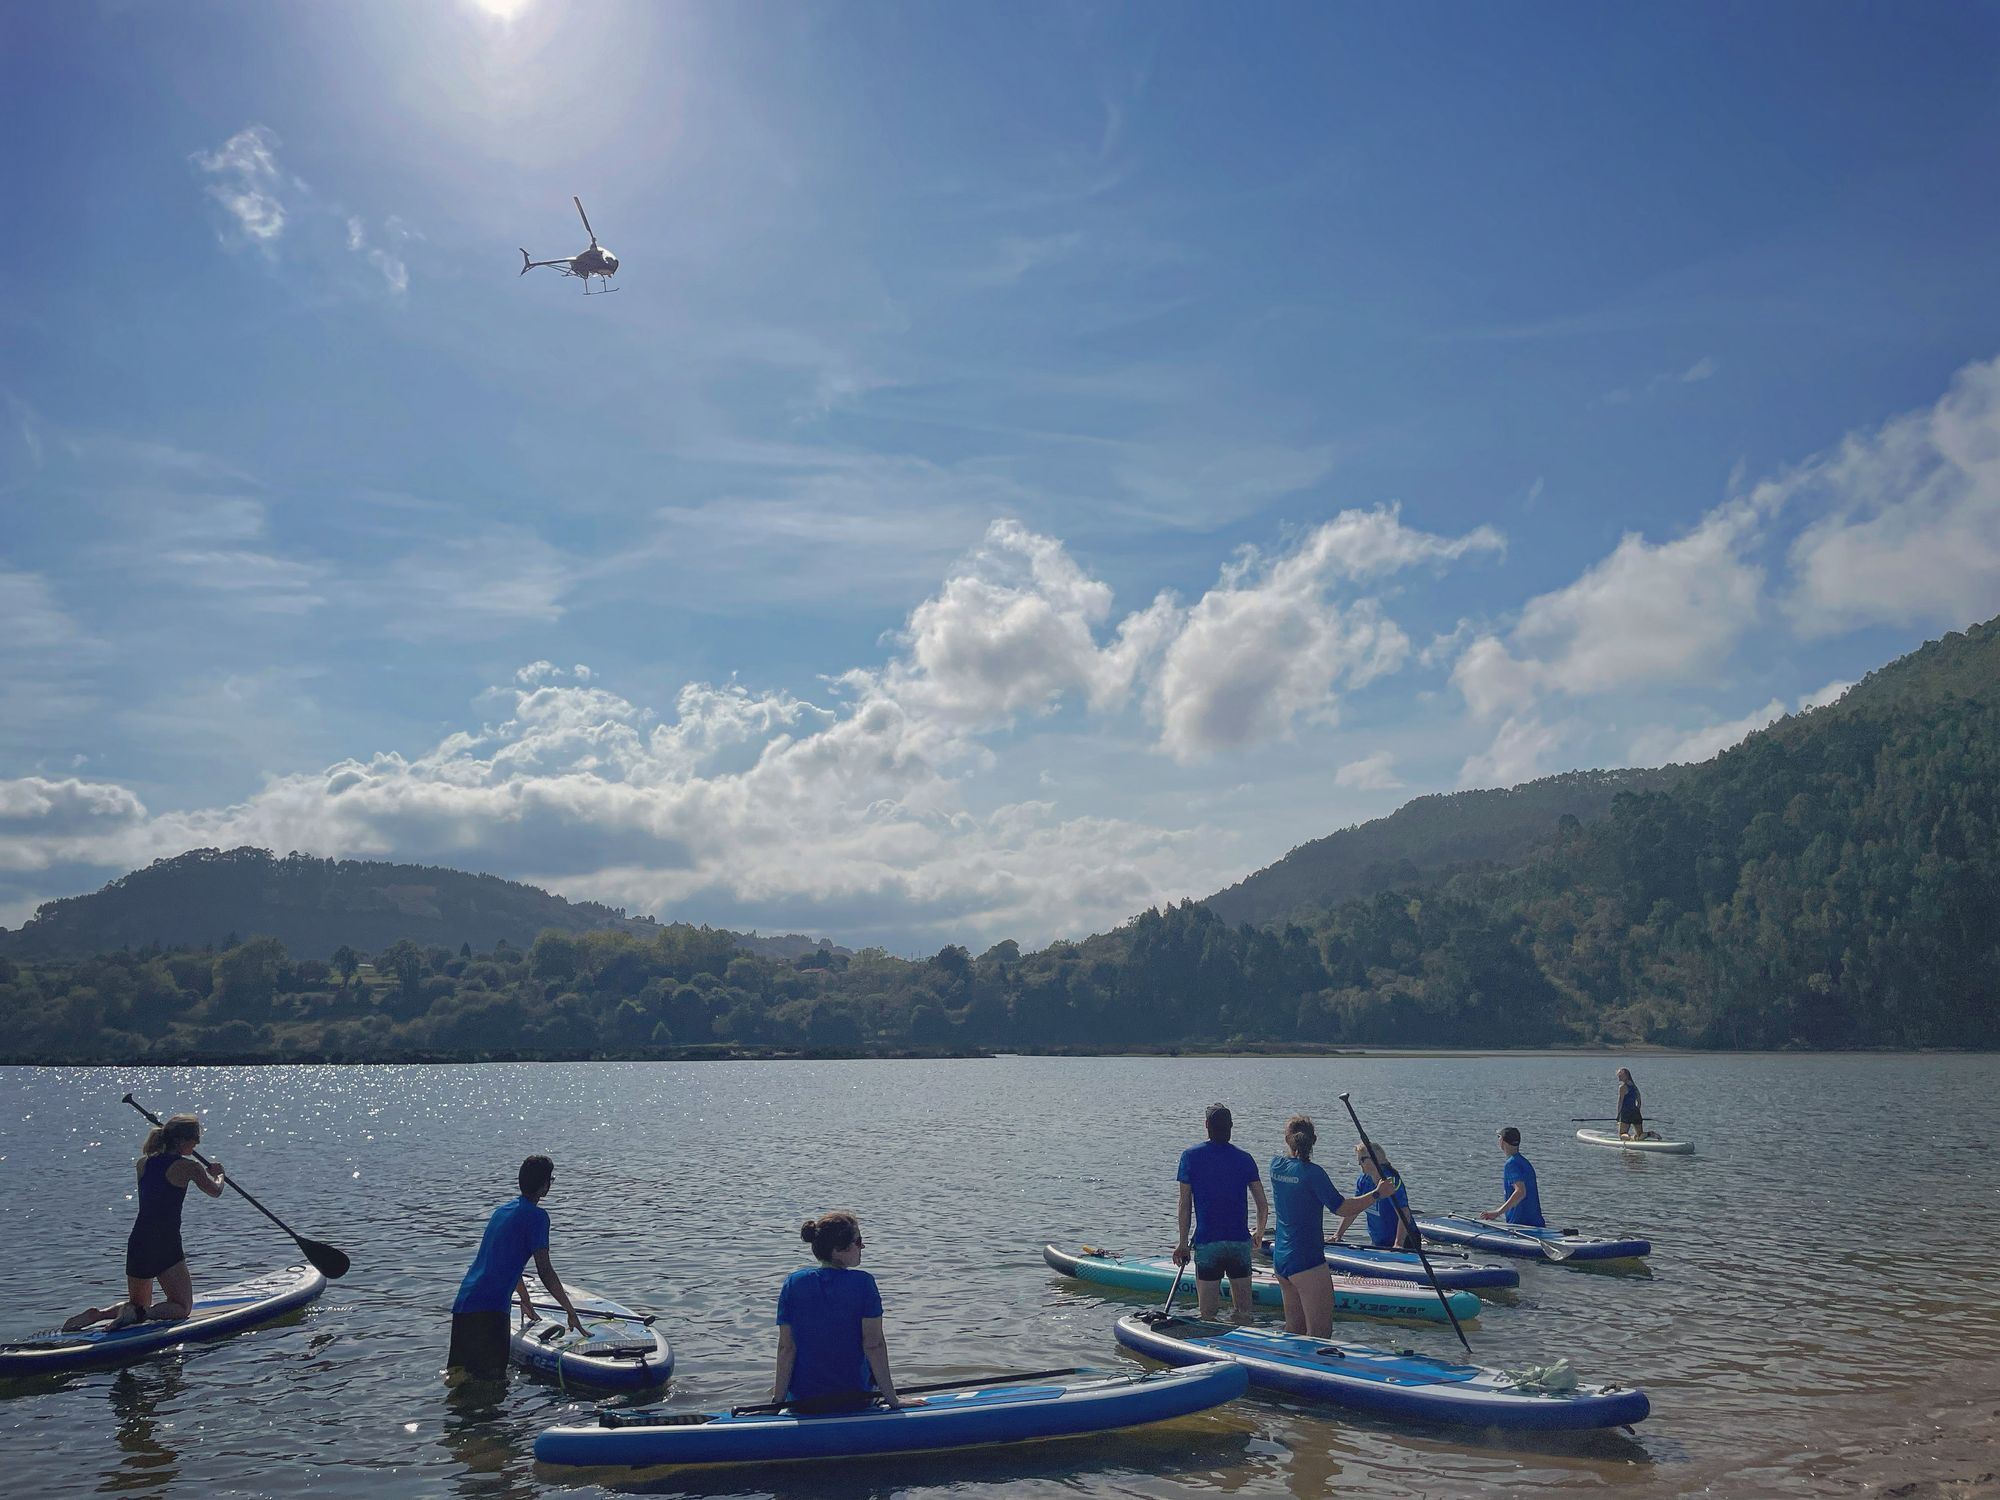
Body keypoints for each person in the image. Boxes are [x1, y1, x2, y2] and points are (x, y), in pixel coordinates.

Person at [63, 1112, 227, 1332]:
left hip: (138, 1241)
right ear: (180, 1140)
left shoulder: (143, 1164)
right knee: (181, 1307)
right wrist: (219, 1174)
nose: (197, 1143)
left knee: (138, 1302)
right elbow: (215, 1191)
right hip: (165, 1241)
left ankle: (98, 1314)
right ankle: (141, 1314)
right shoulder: (190, 1167)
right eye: (194, 1139)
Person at [447, 1154, 583, 1383]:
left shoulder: (502, 1211)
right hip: (490, 1311)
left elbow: (501, 1261)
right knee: (492, 1384)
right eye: (551, 1180)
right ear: (544, 1186)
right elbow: (545, 1271)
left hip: (465, 1304)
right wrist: (570, 1310)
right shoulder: (537, 1217)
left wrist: (525, 1298)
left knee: (459, 1378)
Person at [772, 1211, 900, 1412]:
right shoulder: (864, 1283)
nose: (862, 1247)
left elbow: (786, 1349)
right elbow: (873, 1346)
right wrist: (894, 1402)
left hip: (802, 1403)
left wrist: (776, 1404)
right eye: (858, 1241)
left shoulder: (793, 1283)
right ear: (839, 1249)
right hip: (856, 1399)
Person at [1268, 1116, 1381, 1337]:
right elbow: (1342, 1208)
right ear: (1315, 1140)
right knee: (1319, 1337)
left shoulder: (1275, 1166)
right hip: (1307, 1261)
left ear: (1287, 1139)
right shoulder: (1313, 1173)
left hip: (1281, 1260)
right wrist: (1377, 1194)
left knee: (1294, 1331)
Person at [1173, 1103, 1269, 1324]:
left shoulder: (1190, 1156)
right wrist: (1259, 1232)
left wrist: (1183, 1243)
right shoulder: (1245, 1158)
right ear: (1231, 1127)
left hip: (1208, 1243)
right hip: (1239, 1243)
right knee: (1244, 1313)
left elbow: (1184, 1204)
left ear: (1206, 1125)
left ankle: (1212, 1348)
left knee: (1207, 1315)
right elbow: (1262, 1204)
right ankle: (1244, 1347)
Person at [1340, 1143, 1413, 1249]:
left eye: (1362, 1159)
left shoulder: (1391, 1181)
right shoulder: (1363, 1180)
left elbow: (1404, 1213)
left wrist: (1398, 1244)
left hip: (1405, 1243)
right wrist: (1338, 1234)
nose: (1359, 1163)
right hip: (1379, 1243)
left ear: (1375, 1158)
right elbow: (1354, 1209)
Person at [1478, 1126, 1546, 1227]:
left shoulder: (1511, 1164)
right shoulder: (1525, 1162)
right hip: (1537, 1224)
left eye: (1498, 1137)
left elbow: (1520, 1192)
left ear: (1502, 1141)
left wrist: (1497, 1213)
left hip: (1520, 1226)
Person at [1616, 1067, 1645, 1140]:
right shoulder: (1635, 1087)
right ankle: (1650, 1134)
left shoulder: (1622, 1087)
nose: (1618, 1077)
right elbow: (1639, 1101)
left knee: (1622, 1134)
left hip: (1626, 1112)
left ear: (1626, 1076)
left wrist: (1618, 1114)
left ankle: (1631, 1138)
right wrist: (1636, 1111)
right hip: (1635, 1112)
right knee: (1640, 1135)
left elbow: (1620, 1102)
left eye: (1620, 1075)